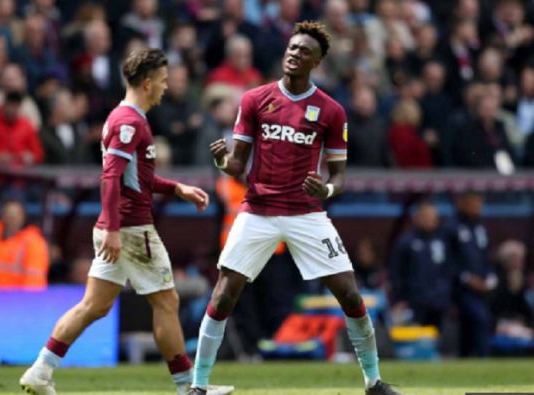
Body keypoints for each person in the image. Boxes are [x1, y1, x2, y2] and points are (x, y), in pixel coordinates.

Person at [189, 21, 401, 395]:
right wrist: (223, 162)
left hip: (306, 214)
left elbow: (340, 176)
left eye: (304, 51)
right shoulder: (254, 100)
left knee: (350, 295)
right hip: (257, 210)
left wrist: (328, 188)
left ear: (316, 61)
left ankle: (373, 381)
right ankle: (198, 385)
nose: (294, 54)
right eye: (291, 47)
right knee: (223, 294)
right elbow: (237, 166)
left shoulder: (332, 111)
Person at [19, 48, 233, 395]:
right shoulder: (130, 123)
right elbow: (110, 177)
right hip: (131, 229)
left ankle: (41, 370)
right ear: (147, 83)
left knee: (94, 305)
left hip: (120, 227)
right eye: (163, 81)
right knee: (166, 302)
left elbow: (137, 178)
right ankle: (189, 388)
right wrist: (113, 228)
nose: (166, 88)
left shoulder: (122, 118)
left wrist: (176, 188)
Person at [389, 200, 453, 330]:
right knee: (417, 339)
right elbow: (396, 272)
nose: (429, 220)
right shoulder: (406, 242)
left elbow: (448, 269)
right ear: (416, 218)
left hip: (438, 301)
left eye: (433, 217)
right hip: (414, 302)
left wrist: (446, 292)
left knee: (437, 338)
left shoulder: (442, 241)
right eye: (426, 217)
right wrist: (399, 298)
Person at [447, 191, 497, 357]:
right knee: (479, 318)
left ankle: (467, 356)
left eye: (479, 204)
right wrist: (466, 278)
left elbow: (486, 256)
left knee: (472, 325)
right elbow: (448, 261)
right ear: (463, 203)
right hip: (460, 289)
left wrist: (489, 278)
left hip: (482, 289)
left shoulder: (480, 228)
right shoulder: (452, 227)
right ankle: (483, 357)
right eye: (474, 203)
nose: (477, 207)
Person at [0, 199, 49, 289]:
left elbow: (34, 281)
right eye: (8, 214)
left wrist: (26, 301)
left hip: (14, 300)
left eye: (14, 216)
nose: (11, 219)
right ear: (1, 216)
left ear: (23, 217)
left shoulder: (33, 243)